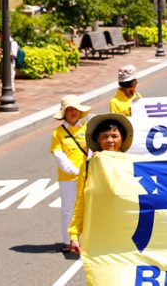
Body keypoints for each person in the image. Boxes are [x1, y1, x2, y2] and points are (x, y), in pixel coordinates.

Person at [67, 113, 134, 254]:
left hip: (127, 230)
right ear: (98, 139)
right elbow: (81, 201)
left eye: (114, 136)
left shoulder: (131, 164)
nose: (110, 140)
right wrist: (74, 234)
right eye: (105, 136)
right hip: (99, 231)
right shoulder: (88, 167)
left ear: (121, 139)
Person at [51, 95, 90, 252]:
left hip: (89, 175)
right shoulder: (57, 133)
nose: (73, 112)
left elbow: (93, 149)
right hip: (68, 177)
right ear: (64, 113)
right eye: (69, 110)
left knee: (88, 207)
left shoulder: (88, 127)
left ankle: (86, 239)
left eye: (75, 109)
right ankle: (68, 241)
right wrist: (76, 171)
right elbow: (59, 156)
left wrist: (88, 170)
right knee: (68, 209)